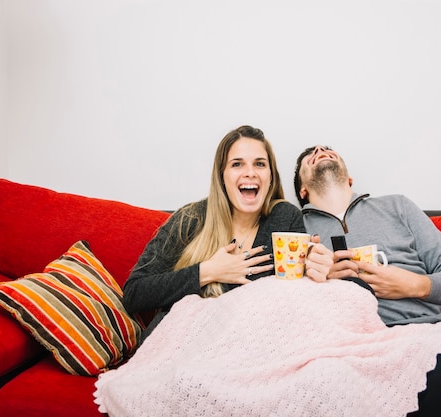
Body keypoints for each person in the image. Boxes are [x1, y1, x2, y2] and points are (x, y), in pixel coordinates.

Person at [293, 145, 441, 417]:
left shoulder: (398, 206)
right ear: (302, 190)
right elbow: (284, 305)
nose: (320, 149)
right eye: (309, 157)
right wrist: (320, 283)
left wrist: (413, 284)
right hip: (347, 347)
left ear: (350, 179)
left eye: (328, 149)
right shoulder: (295, 232)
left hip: (425, 332)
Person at [122, 126, 331, 343]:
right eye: (237, 164)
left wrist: (316, 268)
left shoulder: (285, 217)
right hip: (182, 345)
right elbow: (134, 294)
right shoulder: (190, 219)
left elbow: (294, 302)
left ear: (271, 176)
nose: (250, 172)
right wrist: (208, 271)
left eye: (260, 164)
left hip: (253, 350)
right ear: (222, 175)